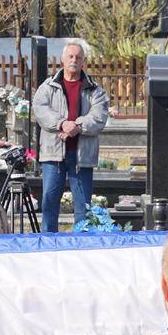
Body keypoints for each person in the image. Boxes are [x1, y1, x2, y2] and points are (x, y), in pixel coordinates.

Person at [32, 41, 111, 232]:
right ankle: (49, 243)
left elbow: (99, 116)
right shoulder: (48, 86)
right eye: (70, 56)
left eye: (78, 57)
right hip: (53, 155)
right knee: (49, 203)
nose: (74, 60)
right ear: (62, 59)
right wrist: (61, 123)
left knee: (83, 207)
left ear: (84, 61)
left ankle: (81, 244)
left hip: (81, 157)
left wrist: (77, 125)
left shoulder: (95, 90)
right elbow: (40, 109)